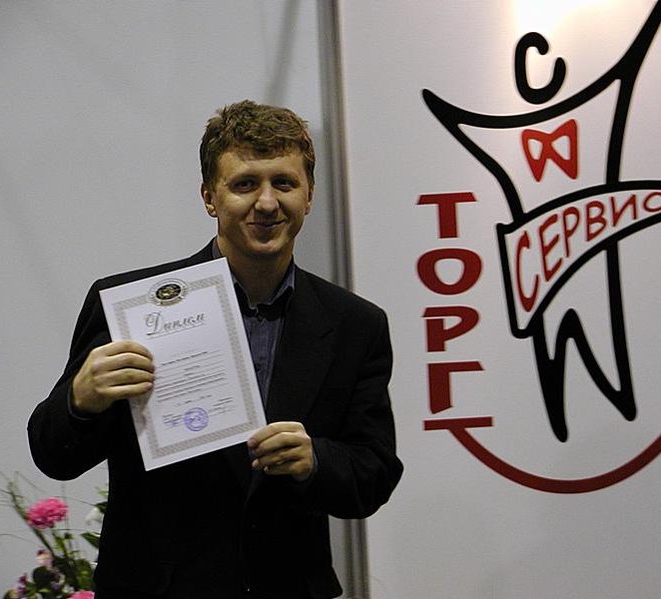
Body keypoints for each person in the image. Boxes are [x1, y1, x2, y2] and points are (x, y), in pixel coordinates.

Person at [28, 100, 403, 599]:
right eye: (245, 184)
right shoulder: (130, 307)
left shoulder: (356, 324)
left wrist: (317, 459)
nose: (266, 203)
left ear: (309, 195)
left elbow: (374, 474)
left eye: (284, 183)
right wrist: (81, 399)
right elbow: (53, 456)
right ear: (209, 197)